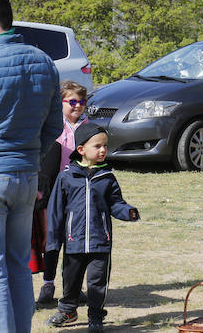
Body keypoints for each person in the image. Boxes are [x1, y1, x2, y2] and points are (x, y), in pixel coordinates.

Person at [0, 0, 61, 333]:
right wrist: (32, 156)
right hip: (26, 174)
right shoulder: (43, 61)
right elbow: (55, 125)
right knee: (18, 264)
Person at [44, 124, 140, 331]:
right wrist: (53, 241)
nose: (103, 150)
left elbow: (116, 203)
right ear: (81, 150)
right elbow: (56, 212)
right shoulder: (66, 177)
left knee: (97, 283)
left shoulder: (107, 177)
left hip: (100, 242)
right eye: (97, 146)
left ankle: (96, 316)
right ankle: (68, 309)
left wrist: (128, 212)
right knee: (70, 280)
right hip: (74, 242)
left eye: (105, 145)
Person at [36, 80, 91, 306]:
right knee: (52, 240)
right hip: (54, 191)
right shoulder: (53, 125)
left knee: (74, 241)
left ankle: (73, 288)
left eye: (82, 102)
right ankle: (48, 285)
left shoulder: (88, 127)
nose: (77, 106)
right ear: (61, 103)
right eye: (72, 101)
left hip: (77, 191)